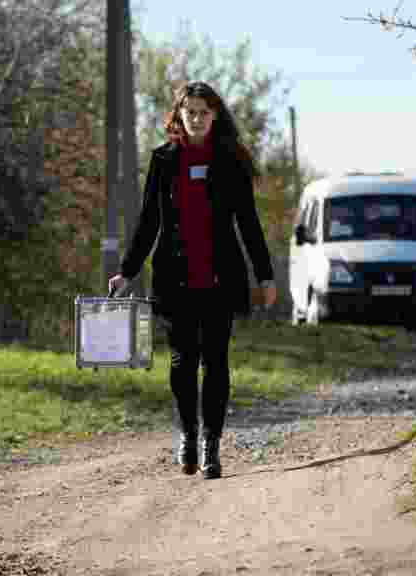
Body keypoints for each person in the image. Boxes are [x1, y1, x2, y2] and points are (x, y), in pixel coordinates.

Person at [108, 81, 277, 480]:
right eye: (190, 112)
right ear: (179, 115)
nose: (197, 119)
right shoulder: (163, 160)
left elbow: (248, 222)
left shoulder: (230, 160)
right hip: (175, 277)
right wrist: (128, 270)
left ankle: (211, 445)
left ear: (214, 115)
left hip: (221, 277)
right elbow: (149, 220)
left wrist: (265, 275)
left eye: (203, 112)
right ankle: (187, 434)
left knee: (215, 361)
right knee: (182, 362)